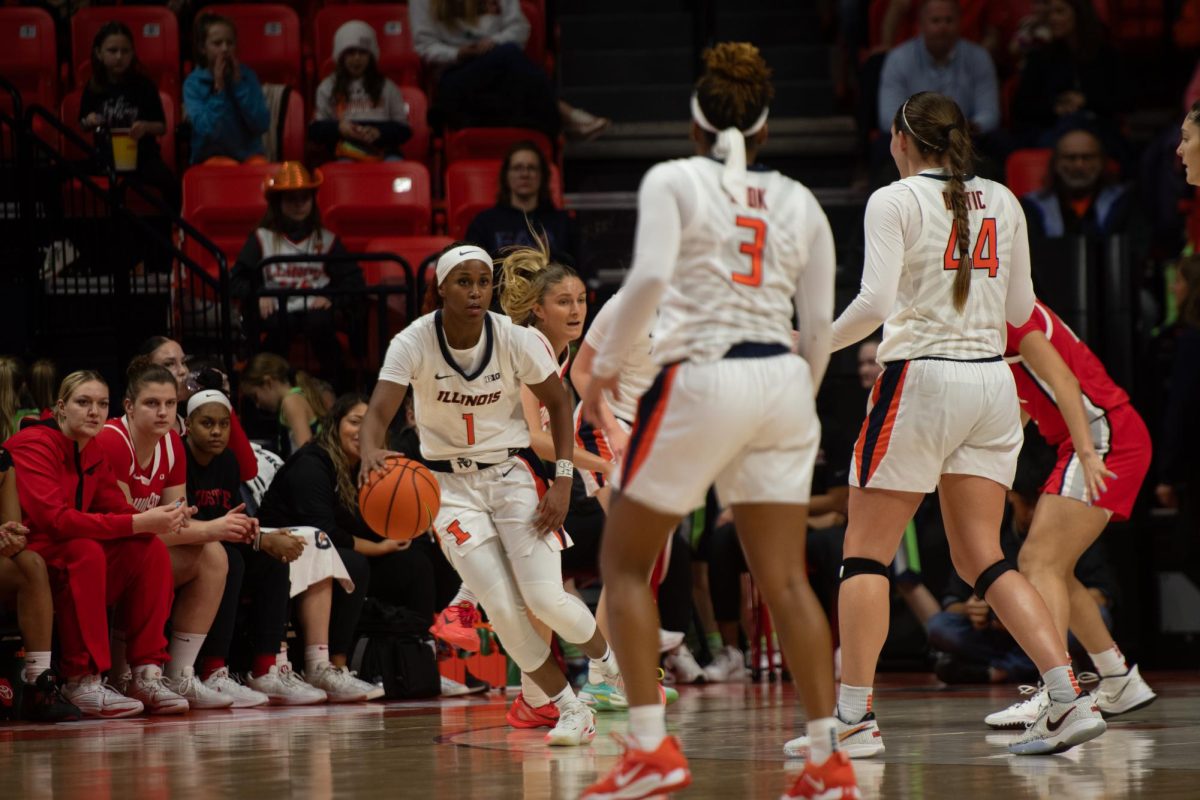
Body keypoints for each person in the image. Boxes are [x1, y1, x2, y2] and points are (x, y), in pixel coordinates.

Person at [787, 89, 1104, 761]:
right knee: (982, 558)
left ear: (900, 140)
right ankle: (1068, 694)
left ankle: (853, 720)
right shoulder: (1004, 199)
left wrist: (810, 345)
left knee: (865, 554)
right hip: (993, 382)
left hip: (922, 379)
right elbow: (1020, 307)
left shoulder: (893, 199)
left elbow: (873, 304)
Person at [579, 42, 855, 799]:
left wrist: (602, 363)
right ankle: (829, 761)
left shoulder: (673, 178)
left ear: (695, 124)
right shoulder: (801, 198)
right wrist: (797, 396)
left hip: (703, 373)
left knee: (624, 564)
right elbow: (822, 328)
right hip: (784, 381)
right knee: (787, 580)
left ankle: (648, 749)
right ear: (765, 129)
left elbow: (651, 278)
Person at [357, 242, 621, 748]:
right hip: (447, 486)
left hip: (512, 475)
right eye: (464, 282)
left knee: (545, 598)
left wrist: (563, 480)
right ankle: (569, 708)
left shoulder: (515, 339)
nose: (476, 290)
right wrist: (373, 453)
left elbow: (560, 408)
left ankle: (608, 666)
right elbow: (378, 415)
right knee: (502, 609)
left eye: (483, 281)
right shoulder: (411, 341)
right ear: (441, 288)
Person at [982, 298, 1156, 726]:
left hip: (1103, 438)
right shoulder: (1000, 316)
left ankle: (1056, 695)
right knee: (1055, 567)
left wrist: (1086, 451)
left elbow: (1063, 382)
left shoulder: (1013, 313)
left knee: (1037, 560)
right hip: (1099, 437)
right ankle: (1117, 679)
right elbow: (1028, 402)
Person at [5, 371, 187, 717]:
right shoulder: (35, 443)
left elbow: (117, 510)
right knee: (85, 550)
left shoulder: (92, 450)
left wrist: (160, 518)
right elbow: (54, 521)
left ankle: (146, 673)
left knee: (148, 547)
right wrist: (136, 521)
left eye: (102, 404)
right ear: (61, 407)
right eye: (83, 402)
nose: (94, 412)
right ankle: (80, 678)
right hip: (25, 554)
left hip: (61, 552)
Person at [95, 359, 247, 711]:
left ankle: (179, 673)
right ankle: (135, 673)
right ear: (129, 406)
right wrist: (211, 527)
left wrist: (214, 531)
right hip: (102, 554)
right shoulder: (112, 441)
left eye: (170, 404)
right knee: (155, 551)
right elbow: (128, 531)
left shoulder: (171, 445)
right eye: (152, 403)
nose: (163, 412)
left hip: (138, 550)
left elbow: (173, 522)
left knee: (213, 555)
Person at [927, 438, 1116, 686]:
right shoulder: (994, 530)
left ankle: (1027, 673)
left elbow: (1102, 593)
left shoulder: (1069, 530)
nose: (1031, 513)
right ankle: (1049, 673)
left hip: (1052, 625)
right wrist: (974, 608)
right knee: (941, 625)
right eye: (1025, 502)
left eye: (1038, 503)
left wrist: (1023, 612)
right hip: (995, 632)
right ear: (1010, 496)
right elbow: (953, 599)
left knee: (1096, 617)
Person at [182, 389, 324, 706]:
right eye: (207, 423)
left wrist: (264, 538)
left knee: (272, 561)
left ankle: (264, 670)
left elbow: (234, 516)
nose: (217, 431)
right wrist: (259, 538)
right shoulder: (180, 458)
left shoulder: (228, 461)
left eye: (223, 424)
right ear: (188, 425)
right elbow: (190, 524)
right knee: (230, 560)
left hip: (219, 542)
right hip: (190, 544)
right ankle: (214, 671)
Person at [256, 396, 383, 703]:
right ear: (333, 425)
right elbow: (327, 529)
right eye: (354, 422)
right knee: (353, 561)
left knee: (408, 563)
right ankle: (322, 665)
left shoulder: (360, 469)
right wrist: (382, 548)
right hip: (274, 546)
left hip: (313, 547)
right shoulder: (313, 463)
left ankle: (415, 656)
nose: (361, 431)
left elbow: (356, 525)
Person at [229, 162, 365, 382]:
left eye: (305, 198)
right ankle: (268, 390)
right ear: (278, 202)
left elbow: (355, 281)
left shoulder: (328, 240)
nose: (299, 205)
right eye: (292, 199)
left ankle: (338, 391)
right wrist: (259, 293)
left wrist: (332, 296)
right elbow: (235, 281)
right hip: (277, 310)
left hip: (315, 309)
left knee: (320, 324)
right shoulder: (261, 238)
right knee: (278, 326)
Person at [409, 0, 608, 140]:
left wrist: (493, 43)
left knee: (508, 57)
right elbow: (424, 47)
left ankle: (556, 126)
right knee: (510, 57)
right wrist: (458, 53)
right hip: (455, 75)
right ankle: (565, 114)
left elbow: (520, 29)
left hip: (502, 71)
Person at [0, 447, 81, 722]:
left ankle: (39, 687)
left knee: (32, 564)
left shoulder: (2, 459)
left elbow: (13, 531)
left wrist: (10, 538)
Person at [79, 21, 177, 209]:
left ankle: (174, 232)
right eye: (112, 50)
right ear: (99, 53)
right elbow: (82, 124)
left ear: (132, 54)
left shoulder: (144, 85)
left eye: (125, 51)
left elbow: (162, 126)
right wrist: (89, 120)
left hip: (141, 158)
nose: (119, 57)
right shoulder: (93, 87)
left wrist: (145, 127)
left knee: (170, 182)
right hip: (104, 159)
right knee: (51, 176)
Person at [137, 336, 258, 482]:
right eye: (169, 364)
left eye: (183, 362)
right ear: (145, 372)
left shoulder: (193, 423)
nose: (182, 371)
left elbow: (247, 471)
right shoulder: (137, 427)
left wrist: (220, 398)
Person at [1011, 0, 1120, 146]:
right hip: (1052, 128)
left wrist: (1084, 101)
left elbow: (1124, 100)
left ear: (1079, 14)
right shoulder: (1039, 57)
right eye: (1049, 13)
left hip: (1098, 129)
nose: (1052, 18)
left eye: (1060, 12)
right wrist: (1056, 108)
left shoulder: (1106, 54)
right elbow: (1022, 107)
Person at [464, 141, 579, 267]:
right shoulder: (484, 223)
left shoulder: (563, 222)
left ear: (542, 176)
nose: (525, 174)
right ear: (506, 176)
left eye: (532, 168)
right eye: (517, 168)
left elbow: (576, 269)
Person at [310, 20, 412, 162]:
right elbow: (316, 131)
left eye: (362, 53)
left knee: (396, 165)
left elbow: (404, 130)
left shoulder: (387, 87)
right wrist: (339, 128)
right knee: (343, 168)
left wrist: (379, 133)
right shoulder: (327, 88)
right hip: (344, 152)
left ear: (371, 56)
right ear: (341, 56)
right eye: (351, 53)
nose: (357, 59)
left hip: (384, 152)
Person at [1021, 125, 1138, 240]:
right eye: (1070, 158)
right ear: (1056, 163)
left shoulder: (1124, 202)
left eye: (1087, 157)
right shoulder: (1031, 208)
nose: (1079, 165)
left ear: (1102, 161)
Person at [183, 14, 270, 165]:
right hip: (209, 158)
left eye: (230, 43)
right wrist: (219, 89)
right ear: (203, 48)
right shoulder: (193, 84)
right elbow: (205, 130)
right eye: (217, 43)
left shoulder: (247, 77)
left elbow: (261, 124)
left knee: (262, 169)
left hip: (248, 156)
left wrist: (239, 86)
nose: (225, 49)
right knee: (225, 168)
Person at [240, 352, 329, 457]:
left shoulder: (291, 402)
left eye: (255, 397)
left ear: (268, 382)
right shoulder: (293, 398)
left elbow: (306, 455)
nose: (257, 405)